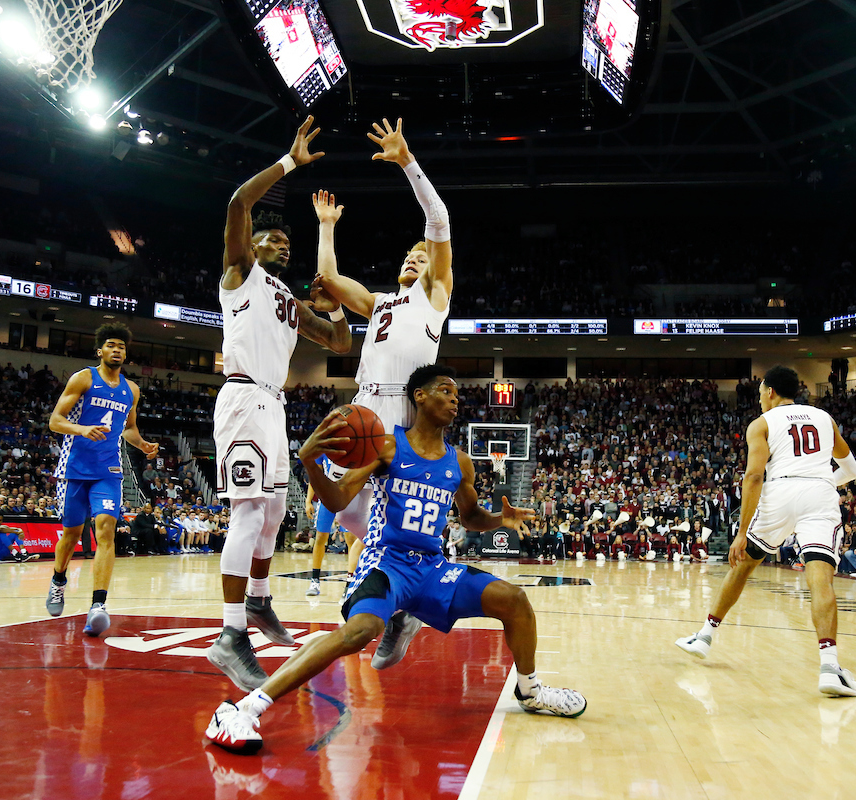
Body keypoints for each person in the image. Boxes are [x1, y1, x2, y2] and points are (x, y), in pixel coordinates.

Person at [204, 364, 586, 754]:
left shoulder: (460, 461)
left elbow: (470, 517)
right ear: (419, 396)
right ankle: (244, 710)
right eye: (445, 390)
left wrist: (498, 519)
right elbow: (336, 500)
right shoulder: (386, 445)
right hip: (386, 562)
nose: (455, 399)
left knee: (515, 601)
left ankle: (531, 690)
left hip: (433, 567)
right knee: (359, 631)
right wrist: (307, 461)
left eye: (457, 394)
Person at [205, 117, 352, 694]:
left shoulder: (288, 299)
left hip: (273, 406)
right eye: (274, 239)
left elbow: (340, 342)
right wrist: (289, 163)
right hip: (242, 397)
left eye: (286, 243)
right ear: (253, 247)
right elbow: (239, 202)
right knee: (246, 514)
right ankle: (230, 633)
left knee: (271, 514)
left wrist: (335, 299)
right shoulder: (239, 275)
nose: (282, 246)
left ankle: (260, 603)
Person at [306, 118, 455, 649]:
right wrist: (326, 226)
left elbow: (437, 221)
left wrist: (407, 161)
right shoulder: (380, 303)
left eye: (422, 258)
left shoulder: (434, 298)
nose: (415, 260)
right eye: (408, 258)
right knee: (343, 509)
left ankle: (388, 607)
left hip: (403, 413)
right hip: (364, 409)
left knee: (387, 521)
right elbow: (328, 280)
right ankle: (399, 596)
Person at [675, 365, 856, 697]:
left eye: (761, 391)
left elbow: (753, 477)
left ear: (771, 391)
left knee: (745, 563)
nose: (760, 397)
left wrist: (740, 531)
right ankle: (830, 667)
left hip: (780, 493)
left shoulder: (761, 424)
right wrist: (820, 483)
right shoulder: (825, 419)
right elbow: (851, 470)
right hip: (819, 496)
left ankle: (705, 635)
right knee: (820, 578)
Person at [46, 324, 159, 637]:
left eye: (121, 346)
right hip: (74, 469)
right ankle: (58, 580)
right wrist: (82, 429)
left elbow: (129, 429)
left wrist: (144, 444)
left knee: (106, 527)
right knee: (70, 535)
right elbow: (55, 421)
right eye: (110, 345)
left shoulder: (131, 389)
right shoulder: (83, 378)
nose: (116, 350)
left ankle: (98, 605)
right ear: (99, 350)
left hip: (108, 470)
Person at [303, 455, 360, 596]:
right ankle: (314, 581)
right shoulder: (325, 447)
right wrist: (308, 500)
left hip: (348, 496)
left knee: (351, 540)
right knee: (320, 538)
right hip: (327, 497)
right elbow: (315, 476)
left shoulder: (353, 444)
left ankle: (350, 583)